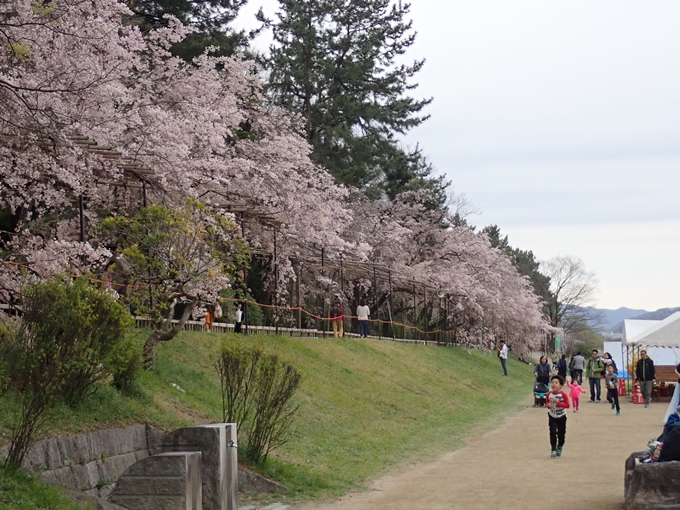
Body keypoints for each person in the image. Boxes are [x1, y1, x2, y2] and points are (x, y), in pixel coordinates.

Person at [546, 375, 570, 458]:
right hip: (552, 415)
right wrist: (548, 405)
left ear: (560, 385)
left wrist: (558, 403)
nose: (554, 384)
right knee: (552, 432)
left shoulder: (563, 394)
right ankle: (553, 449)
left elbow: (567, 405)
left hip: (561, 416)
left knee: (561, 433)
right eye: (552, 383)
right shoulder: (549, 394)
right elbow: (547, 402)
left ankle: (560, 446)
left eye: (556, 383)